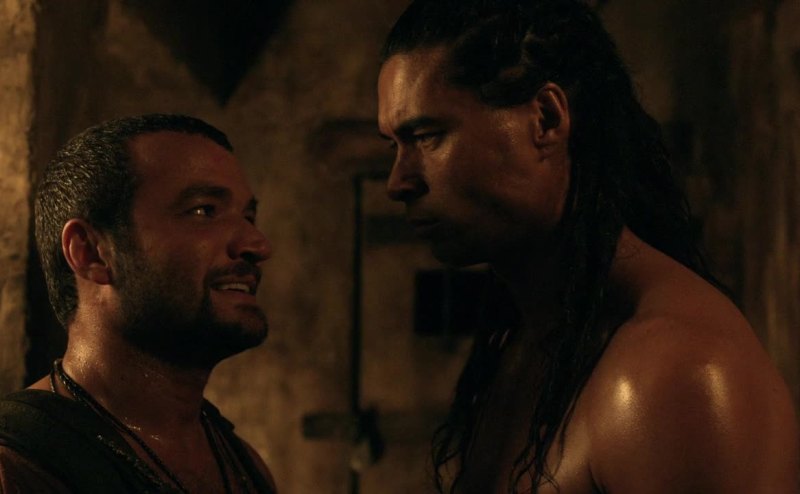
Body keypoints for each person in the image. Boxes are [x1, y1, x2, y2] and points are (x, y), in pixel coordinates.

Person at [377, 1, 799, 493]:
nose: (398, 182)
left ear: (546, 118)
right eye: (393, 146)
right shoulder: (530, 341)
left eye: (426, 136)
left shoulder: (671, 374)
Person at [0, 114, 278, 493]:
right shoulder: (17, 466)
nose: (257, 244)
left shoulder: (242, 465)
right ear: (91, 253)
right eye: (204, 211)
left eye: (249, 216)